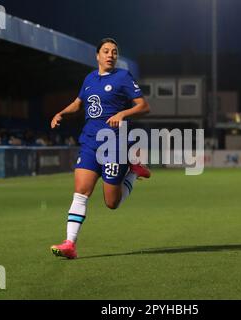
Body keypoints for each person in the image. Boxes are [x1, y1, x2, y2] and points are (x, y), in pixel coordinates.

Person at [49, 38, 151, 259]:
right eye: (106, 51)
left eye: (114, 52)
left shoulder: (123, 77)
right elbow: (78, 103)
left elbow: (144, 106)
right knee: (81, 192)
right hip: (89, 142)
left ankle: (133, 171)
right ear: (97, 56)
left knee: (111, 203)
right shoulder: (89, 78)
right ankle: (70, 244)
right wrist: (61, 113)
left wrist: (122, 114)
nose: (110, 55)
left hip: (114, 143)